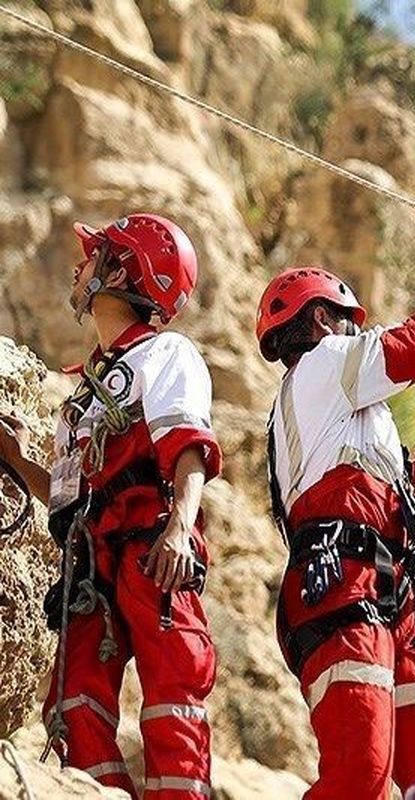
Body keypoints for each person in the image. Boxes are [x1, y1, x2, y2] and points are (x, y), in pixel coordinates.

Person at [255, 234, 415, 799]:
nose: (356, 335)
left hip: (388, 598)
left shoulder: (349, 422)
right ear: (324, 319)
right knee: (358, 777)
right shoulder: (322, 364)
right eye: (351, 324)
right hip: (341, 587)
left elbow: (413, 515)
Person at [0, 214, 221, 797]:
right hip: (91, 562)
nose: (80, 264)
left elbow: (187, 448)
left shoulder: (165, 353)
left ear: (124, 270)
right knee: (73, 707)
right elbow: (67, 496)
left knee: (174, 699)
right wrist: (18, 458)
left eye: (96, 254)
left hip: (152, 546)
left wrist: (180, 524)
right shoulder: (82, 396)